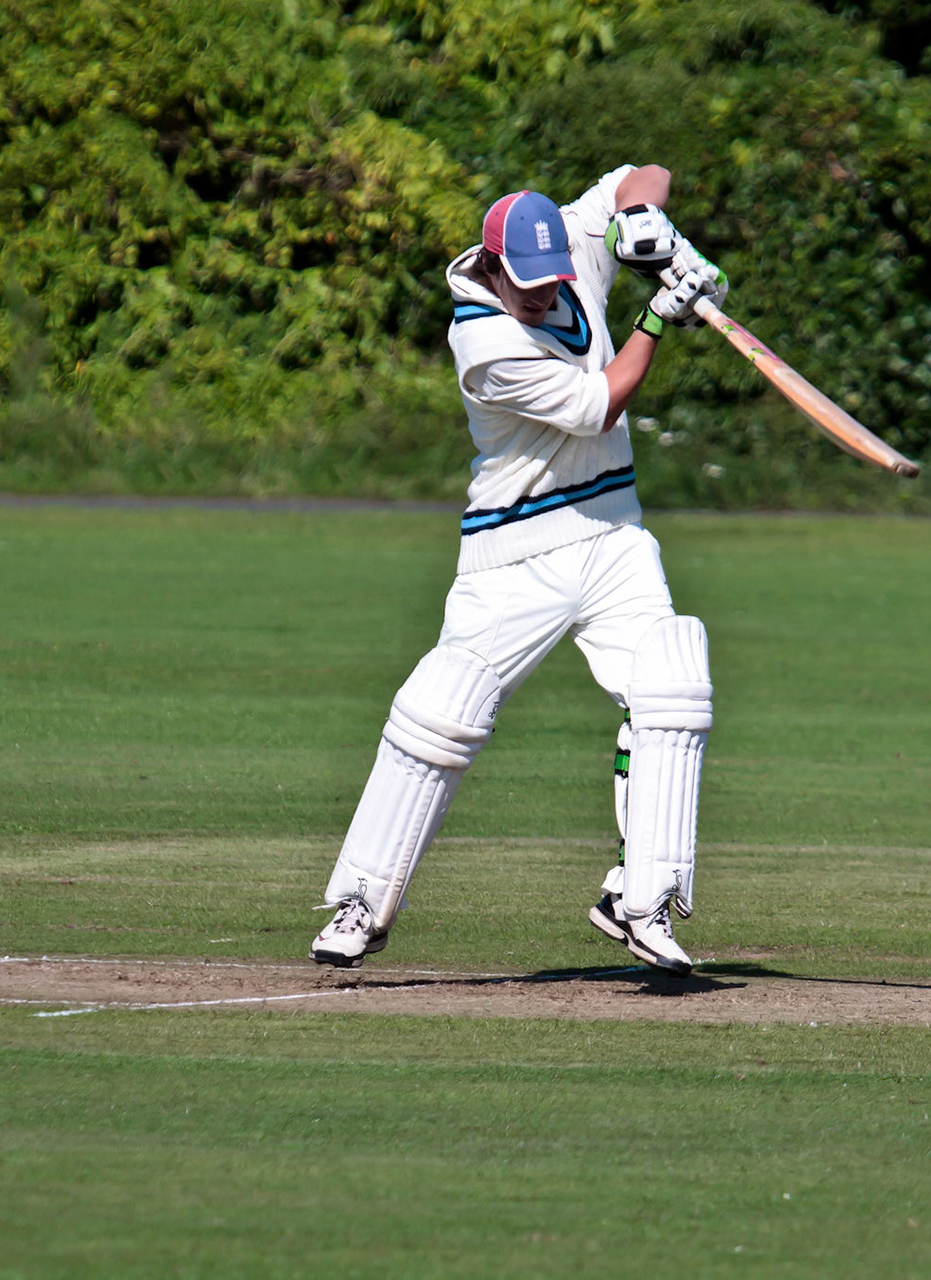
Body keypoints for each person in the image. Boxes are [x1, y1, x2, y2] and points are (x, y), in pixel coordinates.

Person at [309, 164, 728, 975]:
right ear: (493, 266)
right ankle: (362, 904)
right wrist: (660, 312)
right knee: (441, 714)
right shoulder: (485, 342)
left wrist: (650, 227)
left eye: (551, 283)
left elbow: (647, 176)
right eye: (525, 284)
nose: (542, 296)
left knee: (671, 684)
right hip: (514, 550)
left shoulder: (565, 245)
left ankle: (641, 901)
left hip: (612, 532)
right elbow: (599, 403)